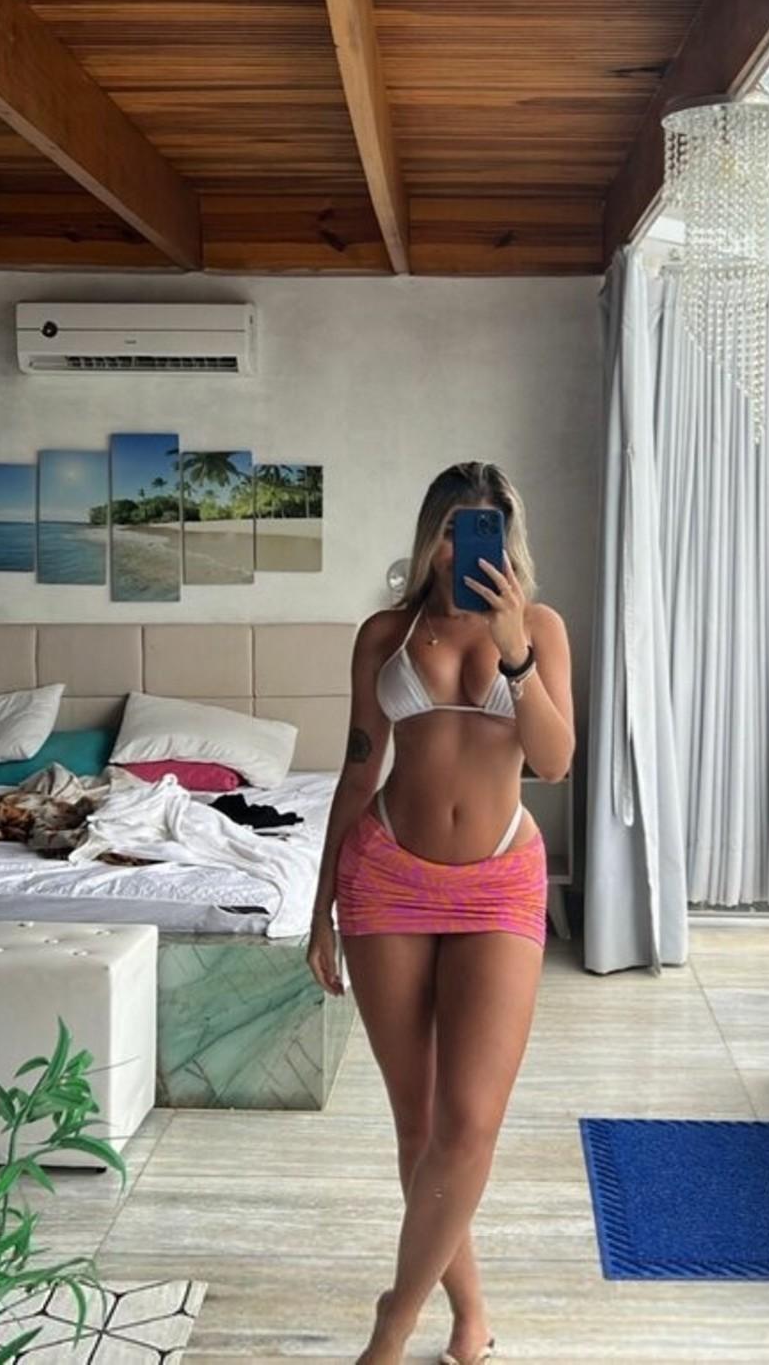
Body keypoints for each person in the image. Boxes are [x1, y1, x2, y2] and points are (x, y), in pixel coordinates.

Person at [306, 462, 575, 1365]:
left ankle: (392, 1323)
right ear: (430, 535)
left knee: (469, 1124)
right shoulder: (386, 634)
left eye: (482, 528)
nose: (465, 546)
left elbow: (554, 761)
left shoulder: (539, 628)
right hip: (384, 876)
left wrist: (516, 651)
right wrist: (319, 905)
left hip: (499, 882)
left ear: (509, 537)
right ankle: (469, 1316)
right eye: (452, 528)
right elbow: (357, 769)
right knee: (419, 1126)